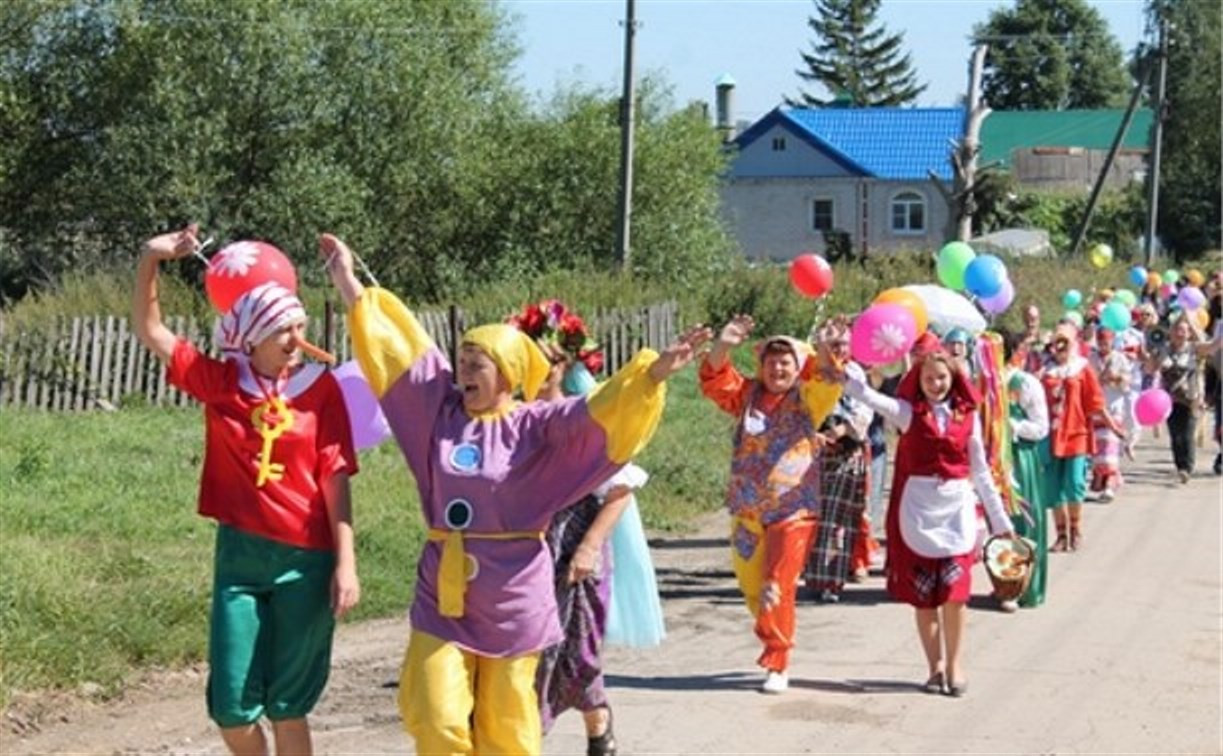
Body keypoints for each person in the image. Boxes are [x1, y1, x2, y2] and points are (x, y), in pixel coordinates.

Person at [320, 234, 708, 754]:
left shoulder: (536, 427)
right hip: (444, 590)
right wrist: (348, 280)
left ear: (506, 374)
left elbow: (598, 412)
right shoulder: (438, 413)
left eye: (477, 364)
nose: (463, 372)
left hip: (515, 596)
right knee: (436, 716)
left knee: (508, 730)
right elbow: (398, 351)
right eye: (462, 360)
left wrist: (652, 373)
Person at [132, 224, 359, 756]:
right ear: (251, 334)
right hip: (239, 558)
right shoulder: (220, 383)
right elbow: (150, 330)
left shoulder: (320, 389)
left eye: (300, 328)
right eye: (284, 330)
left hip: (308, 559)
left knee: (288, 705)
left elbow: (336, 476)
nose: (296, 340)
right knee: (230, 708)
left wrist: (346, 563)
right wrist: (150, 259)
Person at [518, 303, 661, 756]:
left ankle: (597, 722)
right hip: (523, 552)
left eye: (544, 359)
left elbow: (619, 489)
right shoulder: (507, 417)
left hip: (577, 545)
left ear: (562, 363)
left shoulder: (584, 416)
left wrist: (589, 547)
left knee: (579, 653)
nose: (536, 369)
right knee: (529, 655)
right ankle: (523, 738)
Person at [842, 347, 1014, 697]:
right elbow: (869, 397)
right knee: (925, 599)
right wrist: (846, 368)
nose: (936, 384)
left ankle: (955, 664)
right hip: (918, 511)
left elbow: (980, 471)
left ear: (953, 379)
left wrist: (999, 519)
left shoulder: (969, 417)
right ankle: (934, 666)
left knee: (955, 593)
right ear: (918, 381)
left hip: (956, 511)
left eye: (941, 377)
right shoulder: (908, 413)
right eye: (928, 378)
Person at [698, 314, 841, 694]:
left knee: (777, 585)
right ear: (761, 366)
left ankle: (778, 660)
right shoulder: (746, 396)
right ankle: (774, 636)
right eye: (771, 362)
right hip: (747, 509)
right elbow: (714, 380)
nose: (778, 368)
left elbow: (828, 379)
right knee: (752, 587)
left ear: (797, 367)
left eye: (786, 362)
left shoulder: (807, 400)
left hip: (792, 509)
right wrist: (724, 344)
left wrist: (825, 348)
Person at [1036, 323, 1125, 552]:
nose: (1061, 346)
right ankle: (1061, 534)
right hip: (1052, 436)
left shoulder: (1082, 368)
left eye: (1065, 341)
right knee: (1054, 488)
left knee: (1075, 484)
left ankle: (1075, 530)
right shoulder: (1045, 372)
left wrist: (1112, 424)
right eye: (1057, 342)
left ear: (1074, 343)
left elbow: (1095, 401)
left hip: (1076, 434)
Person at [804, 319, 873, 603]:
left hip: (846, 451)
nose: (839, 348)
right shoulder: (811, 371)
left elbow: (865, 409)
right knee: (814, 517)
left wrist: (843, 429)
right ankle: (814, 575)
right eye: (833, 343)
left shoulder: (854, 372)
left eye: (844, 343)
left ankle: (832, 580)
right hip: (815, 452)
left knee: (839, 519)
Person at [999, 330, 1050, 611]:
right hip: (992, 459)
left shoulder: (1025, 383)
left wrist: (1013, 427)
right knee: (998, 522)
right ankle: (1003, 582)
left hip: (1019, 458)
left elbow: (1041, 427)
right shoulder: (985, 383)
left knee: (1021, 519)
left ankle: (1020, 586)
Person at [1146, 313, 1206, 484]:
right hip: (1169, 399)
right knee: (1175, 435)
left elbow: (1212, 346)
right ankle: (1180, 466)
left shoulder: (1195, 348)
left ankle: (1187, 467)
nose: (1180, 333)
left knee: (1187, 434)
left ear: (1188, 334)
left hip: (1190, 397)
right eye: (1177, 330)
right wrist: (1151, 353)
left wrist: (1191, 322)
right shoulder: (1163, 349)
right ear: (1171, 332)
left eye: (1183, 331)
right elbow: (1150, 369)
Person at [1088, 328, 1132, 502]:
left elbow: (1128, 383)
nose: (1103, 344)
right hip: (1096, 411)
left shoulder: (1120, 359)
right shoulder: (1091, 359)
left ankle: (1109, 486)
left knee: (1109, 449)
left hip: (1114, 409)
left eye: (1106, 341)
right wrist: (1098, 379)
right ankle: (1103, 479)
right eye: (1100, 341)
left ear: (1112, 341)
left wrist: (1116, 378)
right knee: (1098, 451)